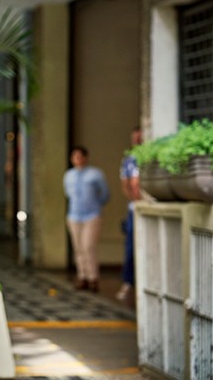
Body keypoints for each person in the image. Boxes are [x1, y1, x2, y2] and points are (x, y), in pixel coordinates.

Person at [64, 146, 110, 292]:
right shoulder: (68, 175)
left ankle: (93, 277)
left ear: (85, 157)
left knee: (88, 246)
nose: (77, 159)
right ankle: (82, 276)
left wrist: (96, 206)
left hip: (91, 215)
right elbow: (67, 194)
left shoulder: (95, 174)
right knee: (78, 247)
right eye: (74, 156)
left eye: (80, 156)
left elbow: (104, 194)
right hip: (74, 215)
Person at [117, 127, 142, 301]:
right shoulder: (128, 160)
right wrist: (136, 200)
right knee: (130, 248)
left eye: (139, 137)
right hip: (134, 209)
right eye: (134, 138)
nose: (137, 141)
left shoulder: (149, 157)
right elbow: (126, 185)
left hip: (149, 207)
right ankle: (128, 283)